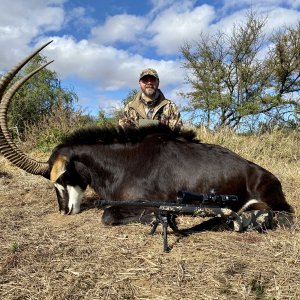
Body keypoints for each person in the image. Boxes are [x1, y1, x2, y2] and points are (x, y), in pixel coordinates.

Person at [119, 68, 183, 129]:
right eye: (145, 80)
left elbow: (178, 133)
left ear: (158, 82)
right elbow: (122, 134)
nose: (149, 82)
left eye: (152, 79)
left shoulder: (170, 106)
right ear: (140, 83)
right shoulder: (130, 107)